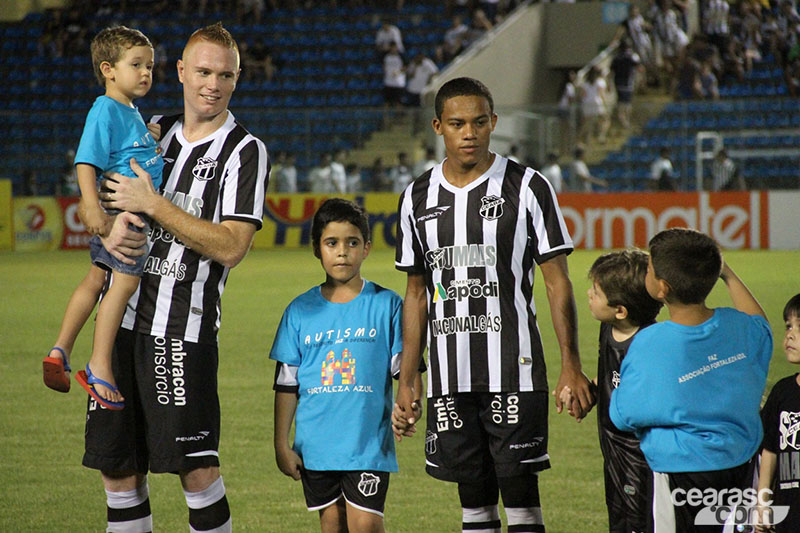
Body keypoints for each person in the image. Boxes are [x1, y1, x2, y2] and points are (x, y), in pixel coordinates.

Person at [81, 23, 269, 533]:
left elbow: (232, 247)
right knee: (118, 472)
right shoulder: (150, 129)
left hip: (181, 335)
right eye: (203, 71)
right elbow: (103, 184)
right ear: (182, 72)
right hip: (117, 328)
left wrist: (153, 205)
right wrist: (113, 220)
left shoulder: (244, 151)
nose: (213, 84)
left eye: (225, 75)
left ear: (236, 79)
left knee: (196, 469)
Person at [392, 77, 594, 533]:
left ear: (494, 123)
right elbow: (417, 294)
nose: (470, 133)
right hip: (448, 374)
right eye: (458, 123)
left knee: (521, 497)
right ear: (438, 126)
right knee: (473, 501)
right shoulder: (416, 197)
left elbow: (556, 280)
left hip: (515, 368)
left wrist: (570, 364)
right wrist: (408, 379)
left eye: (480, 122)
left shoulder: (527, 187)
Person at [271, 198, 422, 533]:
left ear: (366, 248)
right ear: (316, 249)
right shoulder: (298, 311)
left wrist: (409, 407)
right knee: (332, 524)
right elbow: (286, 384)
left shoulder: (388, 306)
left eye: (352, 243)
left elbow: (407, 373)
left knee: (365, 524)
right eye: (331, 243)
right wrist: (282, 443)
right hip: (316, 446)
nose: (342, 252)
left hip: (366, 442)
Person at [609, 228, 772, 532]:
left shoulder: (650, 342)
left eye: (650, 267)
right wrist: (729, 276)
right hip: (741, 463)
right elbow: (760, 325)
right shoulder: (743, 330)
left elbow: (624, 414)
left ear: (662, 288)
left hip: (678, 470)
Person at [42, 26, 164, 410]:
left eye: (150, 66)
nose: (146, 73)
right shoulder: (105, 108)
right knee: (122, 286)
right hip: (124, 215)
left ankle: (60, 350)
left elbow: (126, 149)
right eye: (136, 65)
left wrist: (149, 134)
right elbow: (86, 159)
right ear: (109, 69)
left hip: (126, 209)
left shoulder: (128, 112)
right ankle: (99, 366)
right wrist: (91, 205)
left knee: (97, 278)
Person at [561, 250, 663, 533]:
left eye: (596, 291)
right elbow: (613, 376)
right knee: (618, 520)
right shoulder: (609, 327)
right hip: (613, 451)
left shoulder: (649, 344)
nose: (588, 294)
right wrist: (591, 392)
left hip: (639, 457)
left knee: (640, 523)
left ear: (620, 310)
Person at [756, 293, 800, 533]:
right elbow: (770, 452)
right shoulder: (783, 392)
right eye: (788, 326)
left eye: (799, 328)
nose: (790, 335)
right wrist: (762, 503)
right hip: (787, 514)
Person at [610, 39, 641, 130]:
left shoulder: (616, 58)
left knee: (622, 104)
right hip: (628, 84)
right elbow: (638, 66)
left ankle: (624, 121)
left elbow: (611, 71)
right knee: (626, 104)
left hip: (619, 84)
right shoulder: (631, 57)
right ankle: (625, 123)